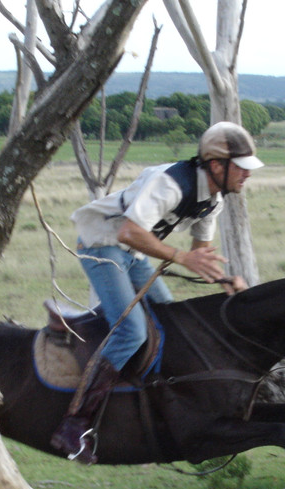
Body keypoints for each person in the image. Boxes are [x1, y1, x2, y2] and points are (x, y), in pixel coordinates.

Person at [50, 121, 264, 464]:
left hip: (133, 254)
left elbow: (201, 255)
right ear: (216, 165)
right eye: (241, 168)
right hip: (101, 244)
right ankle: (74, 423)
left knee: (170, 321)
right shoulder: (170, 184)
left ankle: (154, 406)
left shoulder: (213, 200)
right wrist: (180, 257)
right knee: (132, 331)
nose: (247, 176)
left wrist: (225, 281)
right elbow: (129, 232)